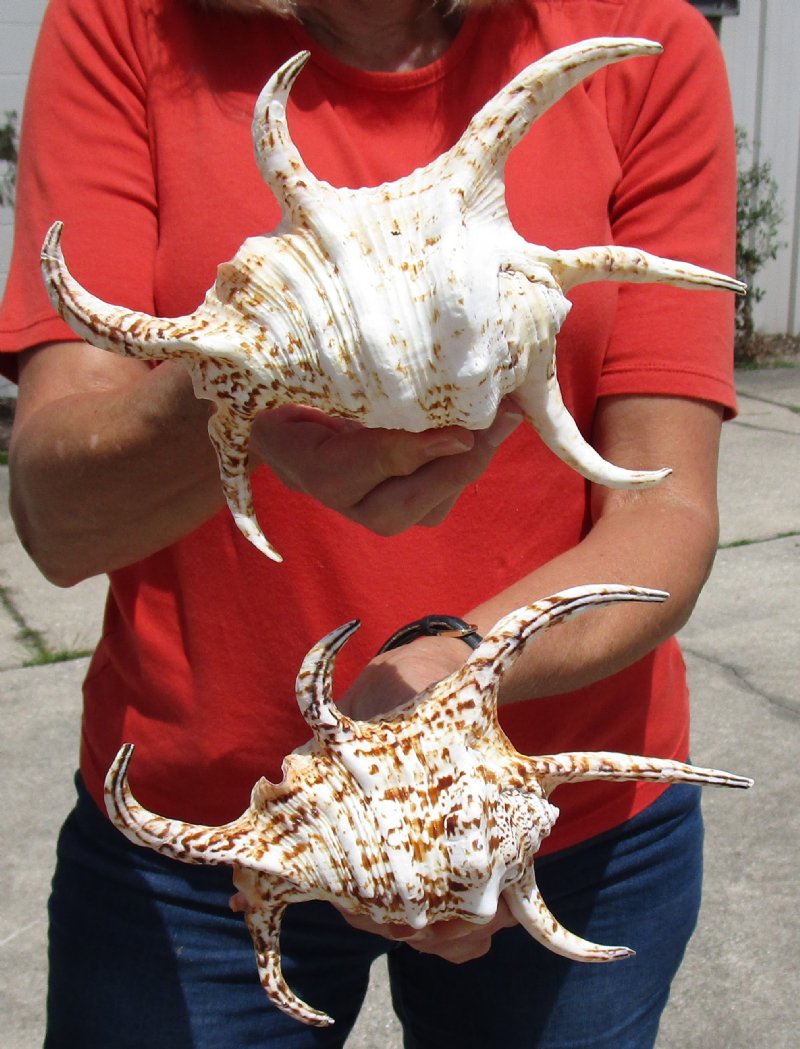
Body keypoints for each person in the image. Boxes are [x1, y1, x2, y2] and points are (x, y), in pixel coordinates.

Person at [0, 0, 739, 1046]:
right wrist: (242, 379)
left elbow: (664, 509)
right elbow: (58, 522)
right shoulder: (128, 21)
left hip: (551, 817)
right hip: (210, 833)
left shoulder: (636, 34)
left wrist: (446, 681)